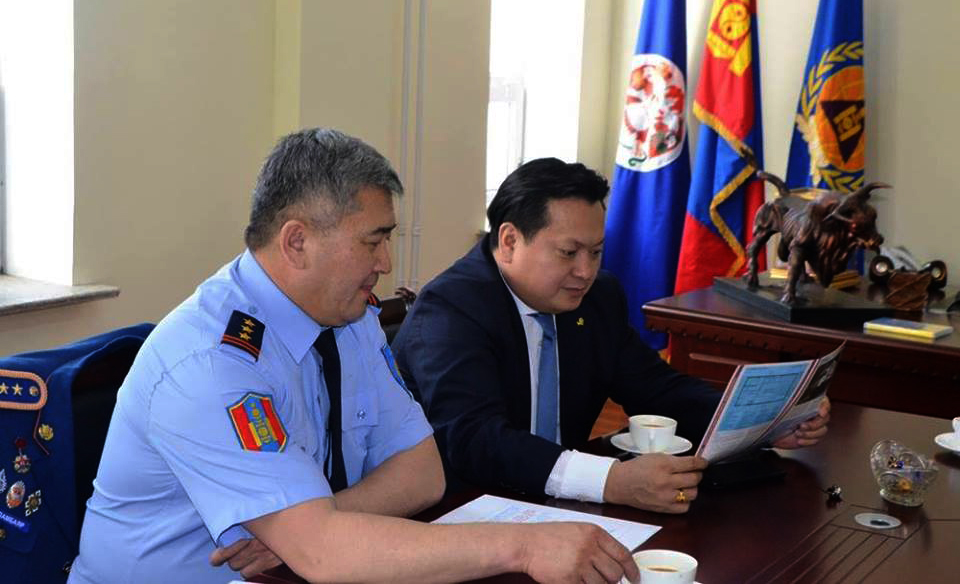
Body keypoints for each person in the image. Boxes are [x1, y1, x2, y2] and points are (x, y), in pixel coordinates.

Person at [67, 130, 639, 584]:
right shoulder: (213, 364)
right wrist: (523, 546)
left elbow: (423, 473)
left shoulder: (348, 317)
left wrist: (310, 523)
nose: (386, 263)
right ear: (297, 242)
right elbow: (323, 556)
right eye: (373, 240)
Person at [392, 157, 830, 513]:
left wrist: (764, 421)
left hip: (558, 503)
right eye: (569, 253)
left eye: (596, 252)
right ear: (509, 242)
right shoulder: (451, 310)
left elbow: (656, 388)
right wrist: (611, 481)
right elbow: (475, 440)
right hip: (462, 508)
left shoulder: (596, 298)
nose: (586, 271)